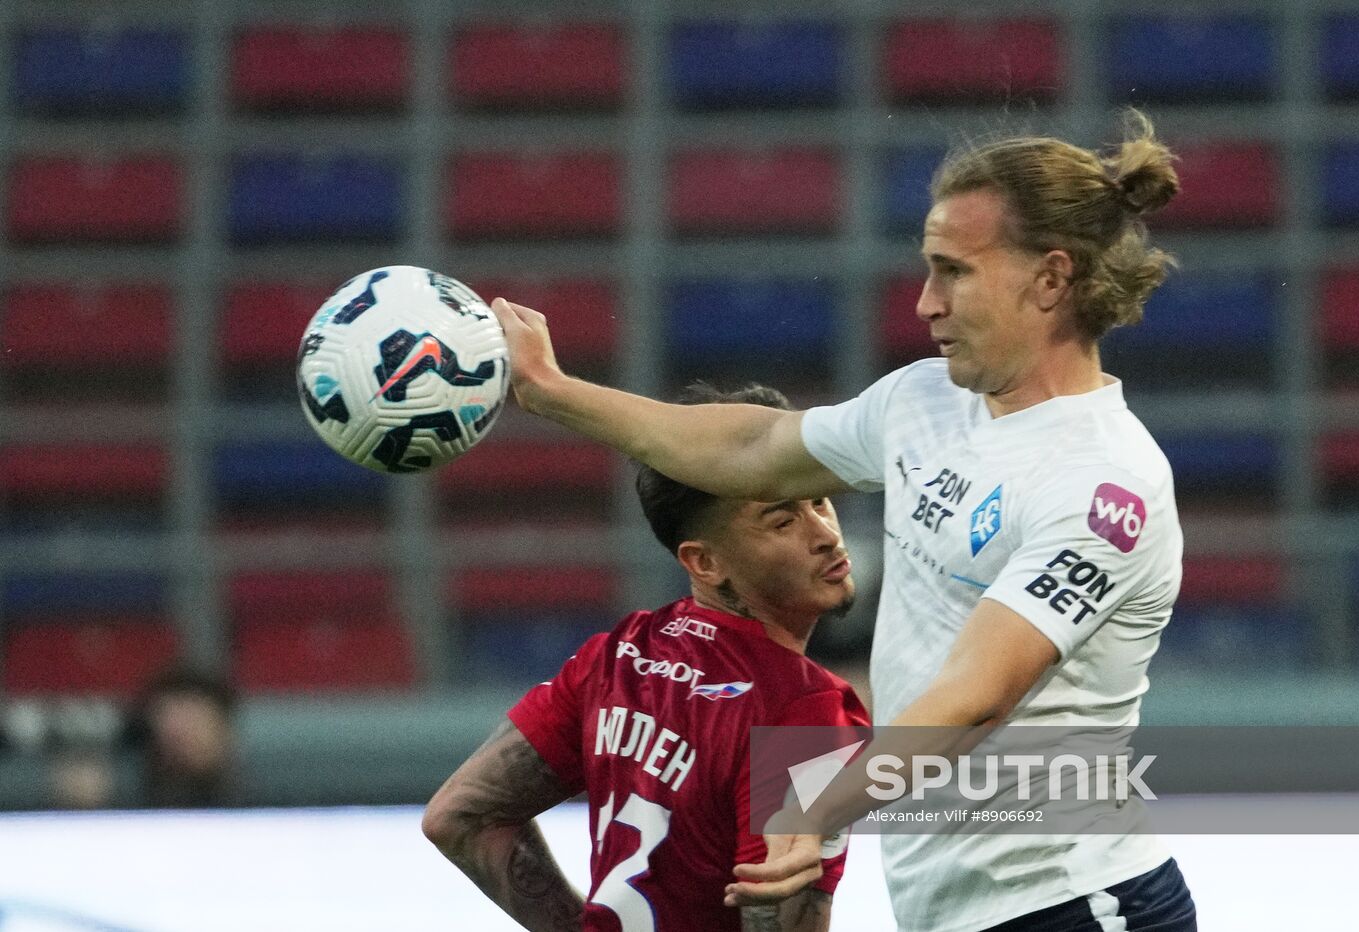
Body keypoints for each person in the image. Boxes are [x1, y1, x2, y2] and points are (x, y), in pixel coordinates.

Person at [486, 110, 1197, 931]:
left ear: (1050, 278)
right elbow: (754, 447)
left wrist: (814, 806)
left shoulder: (1107, 485)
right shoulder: (925, 399)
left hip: (1077, 902)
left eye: (954, 271)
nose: (926, 302)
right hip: (960, 910)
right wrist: (555, 393)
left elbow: (974, 698)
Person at [423, 383, 871, 932]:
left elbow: (459, 818)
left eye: (819, 500)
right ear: (704, 563)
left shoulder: (615, 657)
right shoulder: (805, 707)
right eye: (783, 521)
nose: (825, 534)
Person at [126, 667, 239, 808]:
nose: (183, 734)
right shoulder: (126, 792)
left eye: (194, 721)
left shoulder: (257, 793)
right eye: (172, 724)